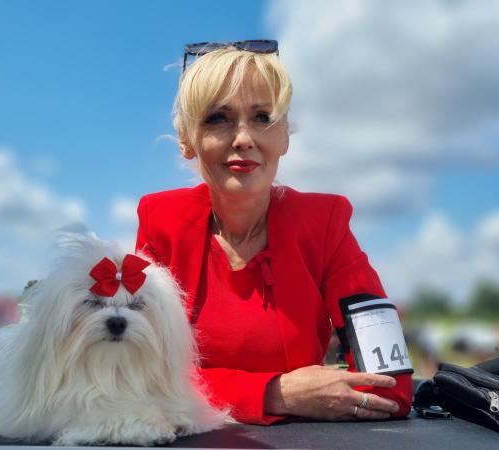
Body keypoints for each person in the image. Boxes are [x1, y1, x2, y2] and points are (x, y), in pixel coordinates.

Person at [135, 40, 412, 425]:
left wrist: (213, 389)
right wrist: (275, 393)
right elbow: (139, 380)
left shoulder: (326, 223)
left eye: (262, 117)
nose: (244, 138)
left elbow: (391, 388)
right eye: (218, 118)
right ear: (187, 140)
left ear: (284, 135)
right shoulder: (159, 222)